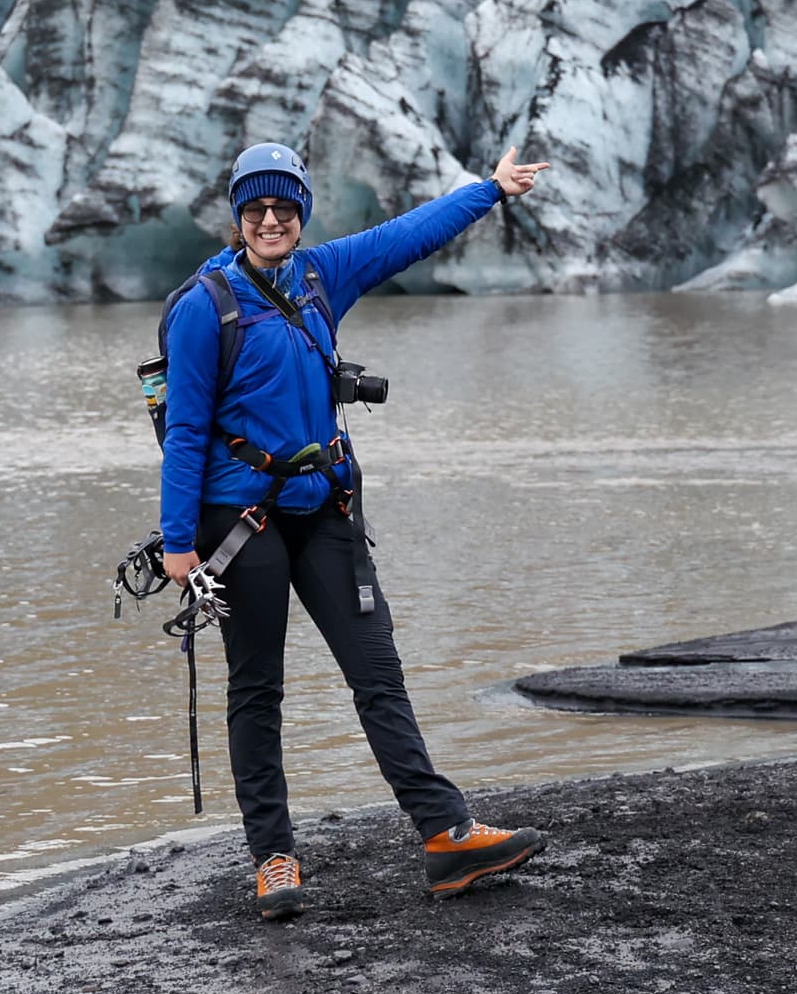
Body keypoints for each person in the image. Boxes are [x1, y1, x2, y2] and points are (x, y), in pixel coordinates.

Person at [157, 138, 553, 920]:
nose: (271, 219)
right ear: (238, 217)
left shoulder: (319, 275)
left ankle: (447, 836)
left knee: (378, 675)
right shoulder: (208, 306)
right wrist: (177, 544)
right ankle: (274, 861)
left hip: (328, 508)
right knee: (258, 691)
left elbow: (409, 233)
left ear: (302, 212)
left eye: (284, 206)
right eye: (256, 207)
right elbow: (186, 432)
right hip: (243, 523)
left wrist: (491, 191)